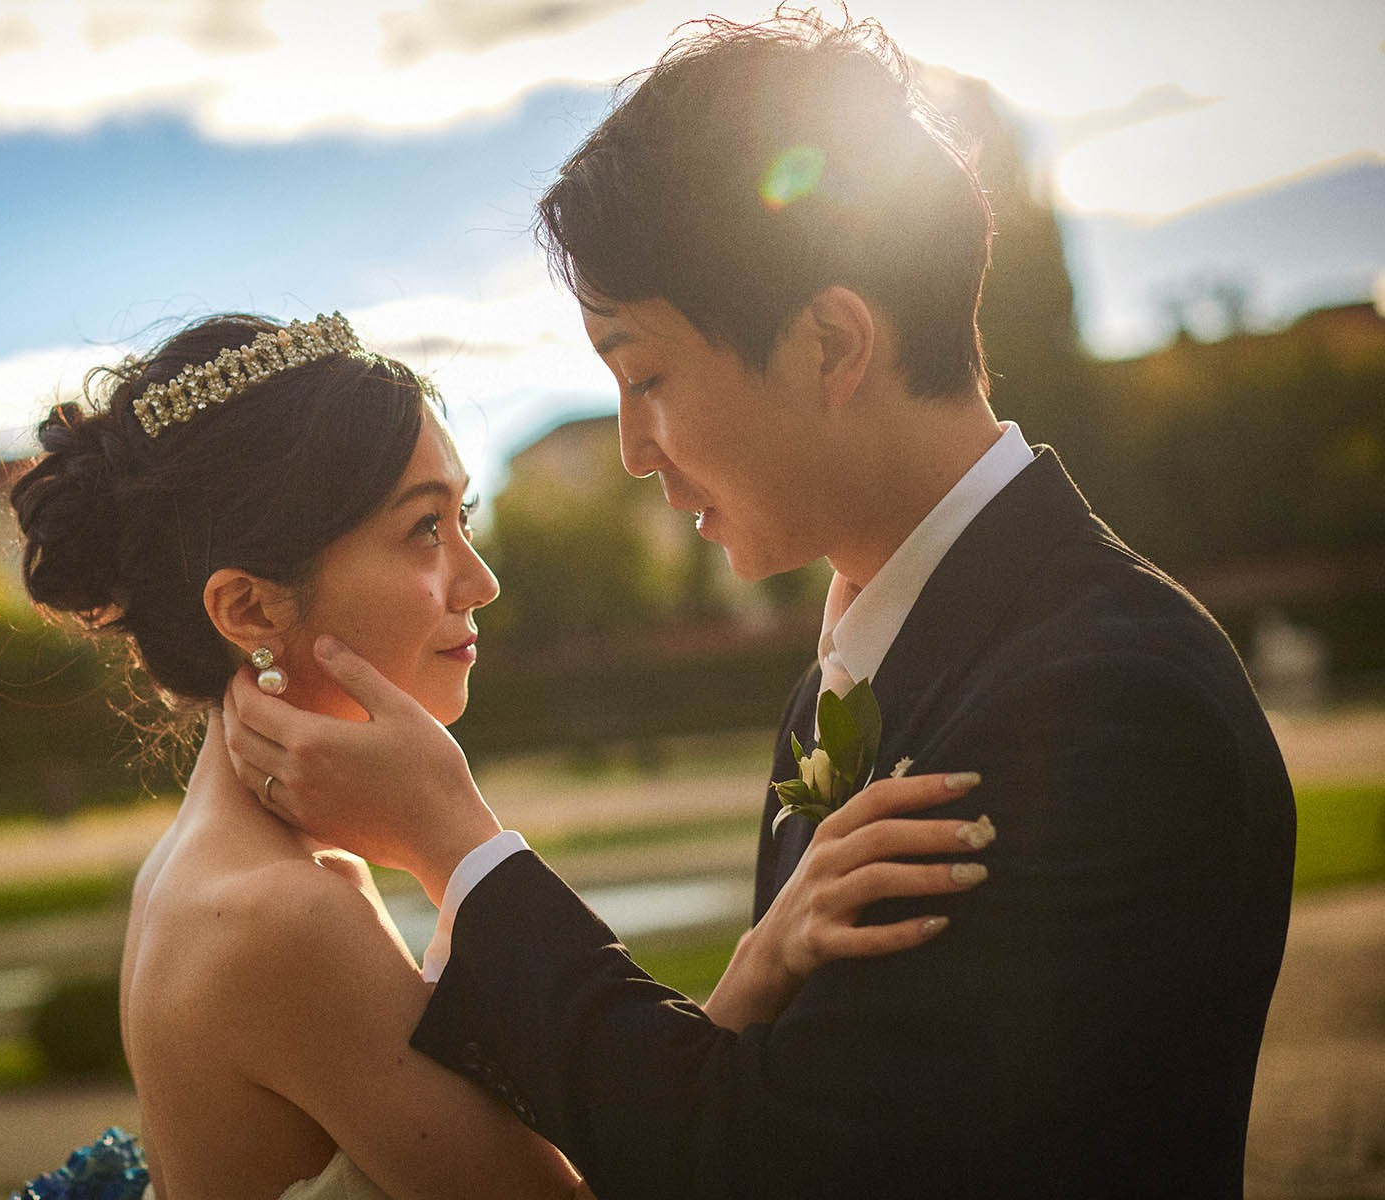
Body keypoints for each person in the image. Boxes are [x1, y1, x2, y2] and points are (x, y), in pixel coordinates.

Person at [221, 12, 1297, 1200]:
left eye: (646, 376)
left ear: (832, 342)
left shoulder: (1104, 701)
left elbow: (772, 1165)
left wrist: (457, 847)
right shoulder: (850, 684)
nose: (634, 448)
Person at [8, 311, 984, 1199]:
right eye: (423, 529)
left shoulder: (207, 868)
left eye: (462, 519)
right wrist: (454, 833)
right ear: (249, 609)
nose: (479, 580)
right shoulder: (285, 913)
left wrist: (756, 963)